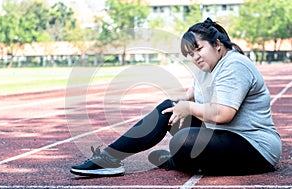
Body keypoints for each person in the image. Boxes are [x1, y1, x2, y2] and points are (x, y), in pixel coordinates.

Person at [70, 18, 282, 177]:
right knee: (168, 108)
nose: (195, 57)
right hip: (223, 137)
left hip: (255, 147)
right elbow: (188, 98)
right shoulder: (207, 69)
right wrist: (167, 112)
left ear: (217, 44)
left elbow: (223, 113)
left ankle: (176, 161)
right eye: (191, 54)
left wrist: (187, 109)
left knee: (182, 142)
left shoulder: (234, 65)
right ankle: (109, 158)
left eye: (199, 49)